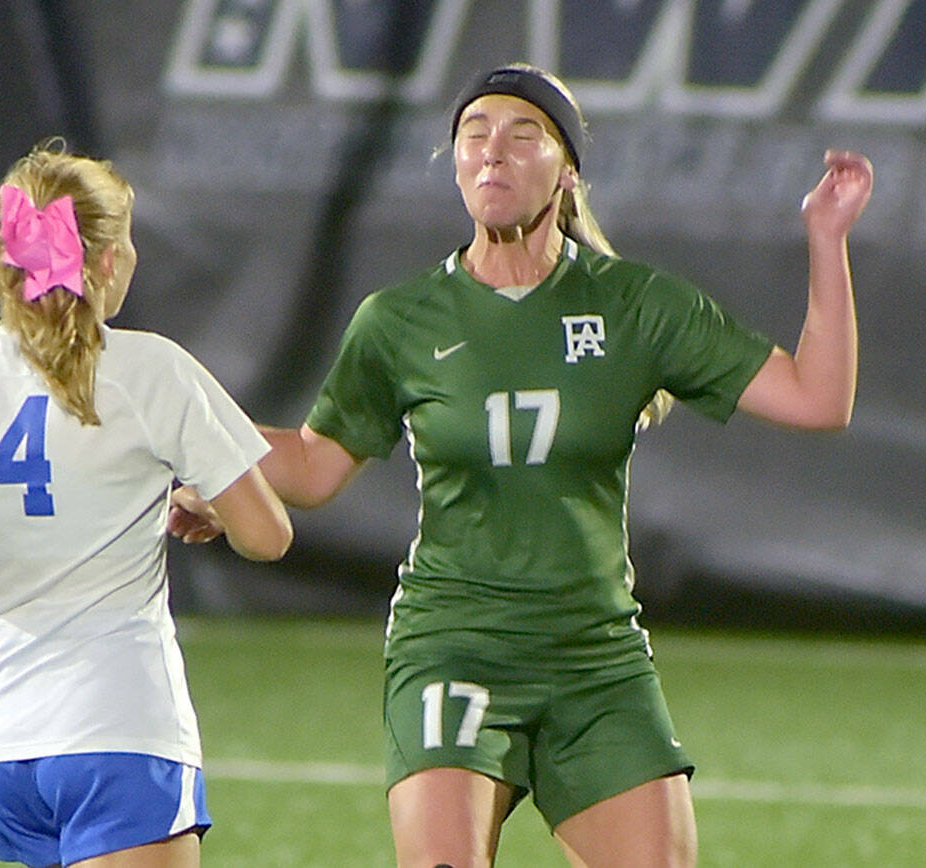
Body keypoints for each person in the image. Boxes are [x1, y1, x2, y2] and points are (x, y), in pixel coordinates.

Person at [170, 63, 872, 867]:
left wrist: (827, 240)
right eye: (473, 136)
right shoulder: (400, 319)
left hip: (594, 655)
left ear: (567, 170)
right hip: (454, 644)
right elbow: (312, 463)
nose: (491, 151)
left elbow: (819, 398)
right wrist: (202, 453)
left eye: (521, 134)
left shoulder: (634, 304)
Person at [0, 141, 292, 868]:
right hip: (122, 726)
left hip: (4, 743)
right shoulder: (152, 370)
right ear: (105, 261)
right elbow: (267, 536)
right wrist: (213, 505)